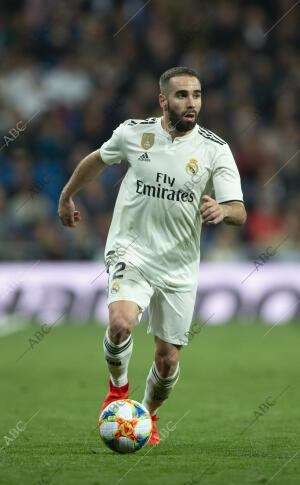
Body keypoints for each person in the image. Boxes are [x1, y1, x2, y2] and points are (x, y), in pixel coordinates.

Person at [58, 67, 247, 445]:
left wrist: (222, 212)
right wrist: (67, 195)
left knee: (167, 360)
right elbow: (96, 159)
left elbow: (239, 210)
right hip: (132, 249)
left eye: (196, 94)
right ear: (163, 100)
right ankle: (117, 390)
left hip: (178, 265)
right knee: (121, 323)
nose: (191, 102)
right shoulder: (134, 133)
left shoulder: (214, 149)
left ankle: (147, 413)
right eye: (181, 95)